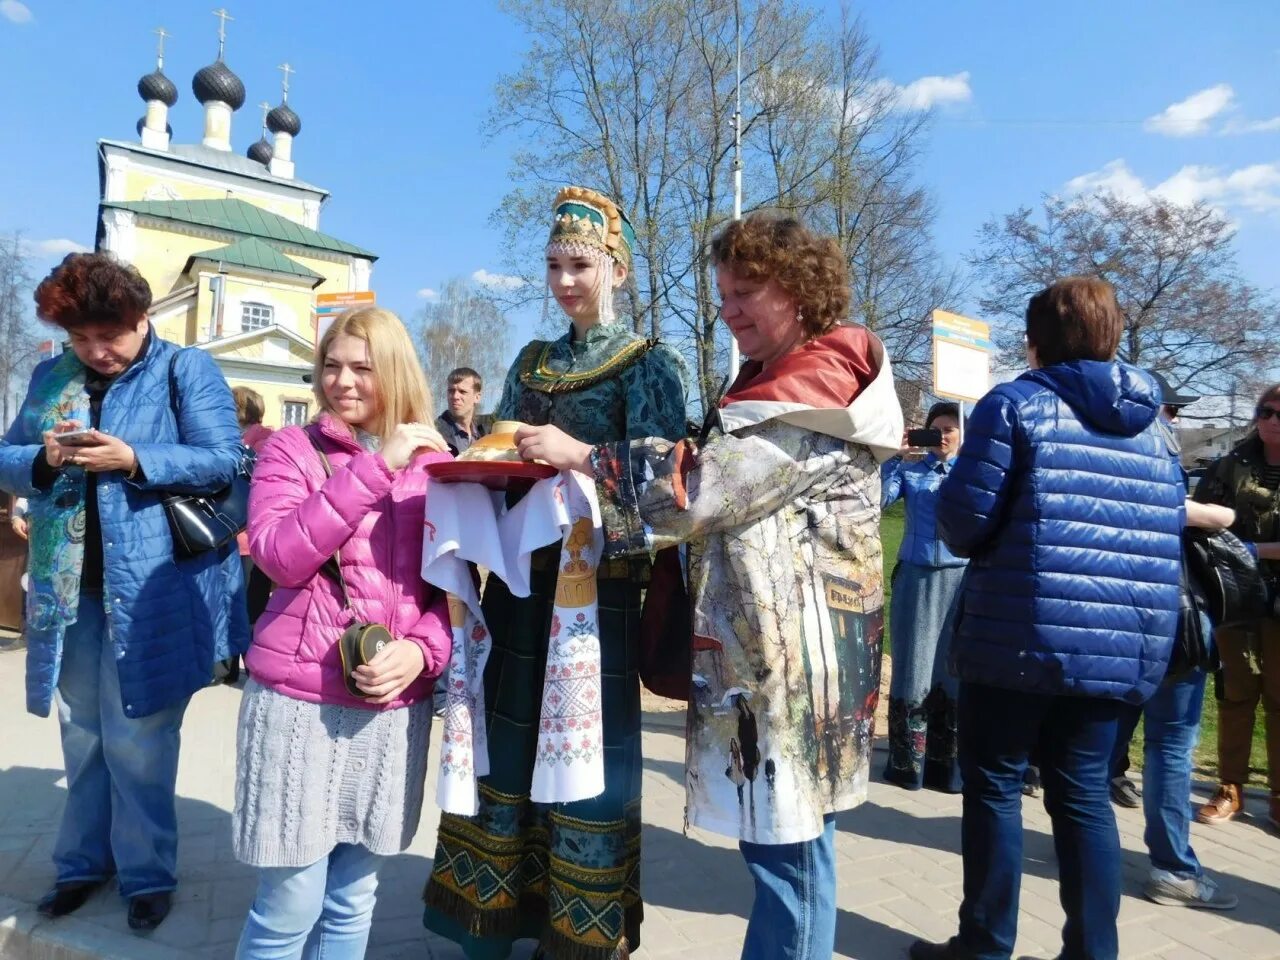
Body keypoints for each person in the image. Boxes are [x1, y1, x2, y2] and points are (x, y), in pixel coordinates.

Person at [514, 211, 904, 960]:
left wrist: (584, 455)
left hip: (796, 663)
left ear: (799, 291)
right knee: (784, 848)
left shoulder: (812, 398)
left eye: (746, 291)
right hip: (779, 654)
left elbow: (704, 490)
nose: (729, 309)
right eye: (723, 291)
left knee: (791, 857)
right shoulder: (777, 382)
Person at [422, 186, 688, 960]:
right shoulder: (531, 362)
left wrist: (583, 461)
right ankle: (493, 916)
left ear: (619, 269)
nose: (566, 280)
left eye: (581, 264)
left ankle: (577, 935)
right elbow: (502, 447)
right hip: (519, 586)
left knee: (586, 763)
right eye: (554, 265)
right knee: (507, 749)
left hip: (595, 599)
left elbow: (668, 491)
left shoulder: (650, 364)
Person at [909, 277, 1184, 960]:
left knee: (996, 786)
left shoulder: (1015, 405)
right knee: (1084, 793)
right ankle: (1094, 954)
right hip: (1121, 643)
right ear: (1112, 335)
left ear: (1036, 341)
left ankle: (985, 945)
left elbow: (964, 524)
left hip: (1019, 638)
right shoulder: (1159, 427)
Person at [0, 252, 248, 931]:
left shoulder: (182, 368)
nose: (96, 351)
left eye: (109, 335)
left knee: (139, 735)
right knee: (81, 733)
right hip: (67, 588)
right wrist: (45, 459)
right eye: (81, 339)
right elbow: (7, 456)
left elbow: (224, 457)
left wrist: (134, 458)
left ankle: (145, 874)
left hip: (153, 590)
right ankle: (81, 864)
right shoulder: (52, 374)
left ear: (142, 319)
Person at [233, 306, 453, 959]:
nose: (343, 381)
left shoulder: (439, 464)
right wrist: (377, 466)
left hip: (389, 715)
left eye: (362, 367)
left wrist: (420, 652)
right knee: (288, 907)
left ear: (396, 372)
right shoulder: (290, 450)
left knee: (353, 902)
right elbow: (277, 554)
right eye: (332, 365)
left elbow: (459, 599)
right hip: (300, 707)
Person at [1108, 373, 1204, 809]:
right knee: (1153, 725)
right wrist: (1209, 515)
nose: (1175, 419)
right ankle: (1110, 774)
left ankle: (1111, 773)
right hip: (1147, 602)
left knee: (1122, 706)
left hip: (1133, 600)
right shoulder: (1151, 455)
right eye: (1172, 409)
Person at [1193, 382, 1280, 831]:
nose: (1272, 420)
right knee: (1236, 693)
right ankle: (1230, 787)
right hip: (1236, 596)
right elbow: (1202, 519)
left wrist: (1253, 549)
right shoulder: (1231, 465)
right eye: (1266, 411)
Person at [881, 401, 966, 792]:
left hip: (961, 582)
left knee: (952, 670)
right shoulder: (911, 473)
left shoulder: (974, 476)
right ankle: (906, 764)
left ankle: (946, 766)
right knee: (913, 667)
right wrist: (893, 457)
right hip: (916, 579)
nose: (944, 436)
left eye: (952, 429)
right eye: (937, 429)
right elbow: (880, 499)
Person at [222, 386, 275, 685]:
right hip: (230, 537)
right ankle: (227, 667)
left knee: (251, 604)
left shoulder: (264, 440)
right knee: (231, 601)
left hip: (251, 539)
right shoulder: (236, 439)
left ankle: (254, 665)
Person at [435, 366, 492, 456]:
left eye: (462, 392)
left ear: (477, 397)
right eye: (451, 391)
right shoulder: (435, 433)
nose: (455, 396)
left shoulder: (485, 436)